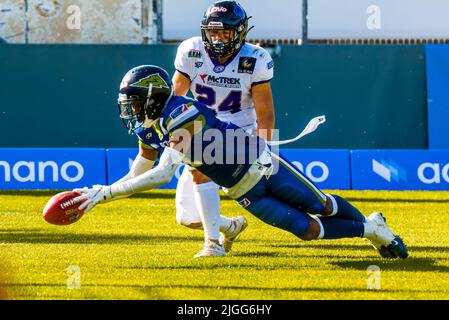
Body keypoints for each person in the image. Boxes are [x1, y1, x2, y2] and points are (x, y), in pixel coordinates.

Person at [73, 65, 409, 260]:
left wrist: (106, 194)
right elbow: (139, 172)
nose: (130, 112)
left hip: (263, 167)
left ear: (151, 99)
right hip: (243, 189)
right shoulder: (151, 131)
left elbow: (163, 174)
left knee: (322, 205)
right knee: (307, 231)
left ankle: (374, 230)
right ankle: (371, 227)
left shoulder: (181, 111)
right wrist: (102, 194)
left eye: (133, 104)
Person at [170, 0, 276, 257]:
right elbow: (175, 97)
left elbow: (265, 114)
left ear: (239, 32)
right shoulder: (191, 50)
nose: (217, 39)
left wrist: (265, 149)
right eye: (213, 32)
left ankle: (212, 245)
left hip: (238, 131)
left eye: (225, 33)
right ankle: (230, 226)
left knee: (200, 172)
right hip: (202, 125)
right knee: (187, 218)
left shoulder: (255, 58)